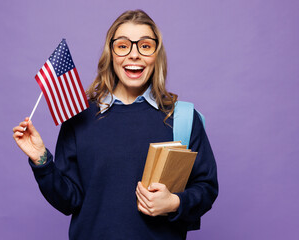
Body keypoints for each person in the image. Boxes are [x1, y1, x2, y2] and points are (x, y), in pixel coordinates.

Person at [13, 9, 218, 240]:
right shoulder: (80, 116)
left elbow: (206, 187)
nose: (134, 55)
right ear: (111, 54)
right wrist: (41, 159)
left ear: (156, 55)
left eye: (145, 46)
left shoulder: (183, 117)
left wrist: (174, 202)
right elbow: (69, 200)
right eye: (123, 46)